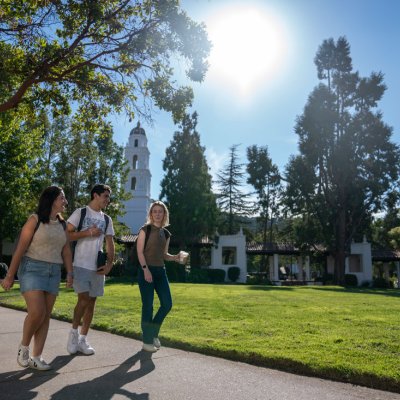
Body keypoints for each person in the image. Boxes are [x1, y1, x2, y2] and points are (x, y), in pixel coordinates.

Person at [0, 186, 73, 370]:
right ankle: (24, 347)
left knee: (46, 316)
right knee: (37, 312)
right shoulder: (35, 220)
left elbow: (65, 250)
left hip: (54, 271)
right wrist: (10, 276)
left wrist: (70, 272)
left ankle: (36, 357)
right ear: (51, 200)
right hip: (32, 268)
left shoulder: (62, 224)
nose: (65, 202)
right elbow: (20, 249)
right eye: (62, 198)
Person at [66, 184, 115, 356]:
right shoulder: (81, 213)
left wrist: (109, 264)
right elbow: (67, 235)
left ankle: (83, 339)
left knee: (92, 302)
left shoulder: (107, 219)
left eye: (108, 197)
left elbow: (110, 243)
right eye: (105, 196)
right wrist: (87, 232)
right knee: (83, 299)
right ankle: (73, 334)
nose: (108, 200)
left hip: (97, 267)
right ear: (95, 195)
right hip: (80, 264)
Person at [137, 200, 187, 352]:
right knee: (148, 306)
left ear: (165, 214)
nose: (158, 214)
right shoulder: (145, 229)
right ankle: (147, 342)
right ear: (151, 214)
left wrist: (176, 257)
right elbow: (140, 252)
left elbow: (164, 255)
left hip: (160, 271)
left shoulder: (166, 233)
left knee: (167, 304)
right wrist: (145, 269)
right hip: (146, 269)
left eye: (160, 211)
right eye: (155, 211)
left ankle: (152, 333)